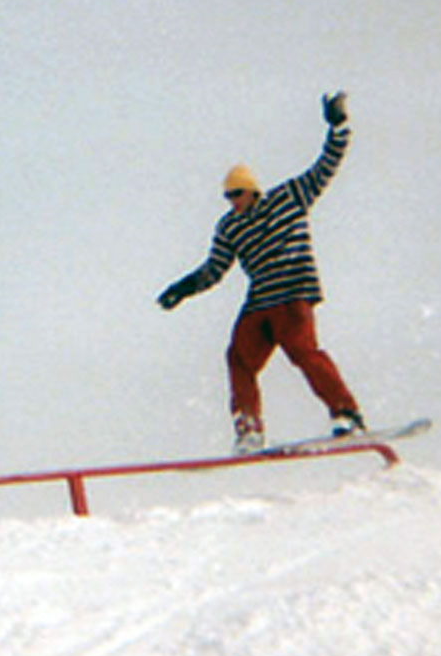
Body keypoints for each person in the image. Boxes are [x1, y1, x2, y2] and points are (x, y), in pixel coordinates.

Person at [156, 91, 365, 454]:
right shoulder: (229, 227)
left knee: (303, 352)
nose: (233, 202)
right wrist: (182, 289)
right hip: (260, 303)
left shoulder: (290, 197)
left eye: (238, 194)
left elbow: (327, 164)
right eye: (228, 197)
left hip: (293, 294)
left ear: (252, 191)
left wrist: (338, 125)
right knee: (239, 357)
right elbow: (215, 269)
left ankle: (346, 413)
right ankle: (249, 429)